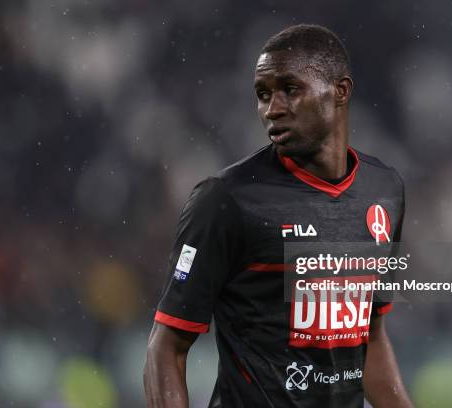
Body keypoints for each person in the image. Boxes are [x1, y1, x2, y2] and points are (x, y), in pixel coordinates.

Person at [144, 24, 412, 408]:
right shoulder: (226, 200)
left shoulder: (384, 191)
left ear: (340, 91)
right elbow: (166, 347)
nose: (273, 108)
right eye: (262, 94)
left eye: (290, 89)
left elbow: (368, 337)